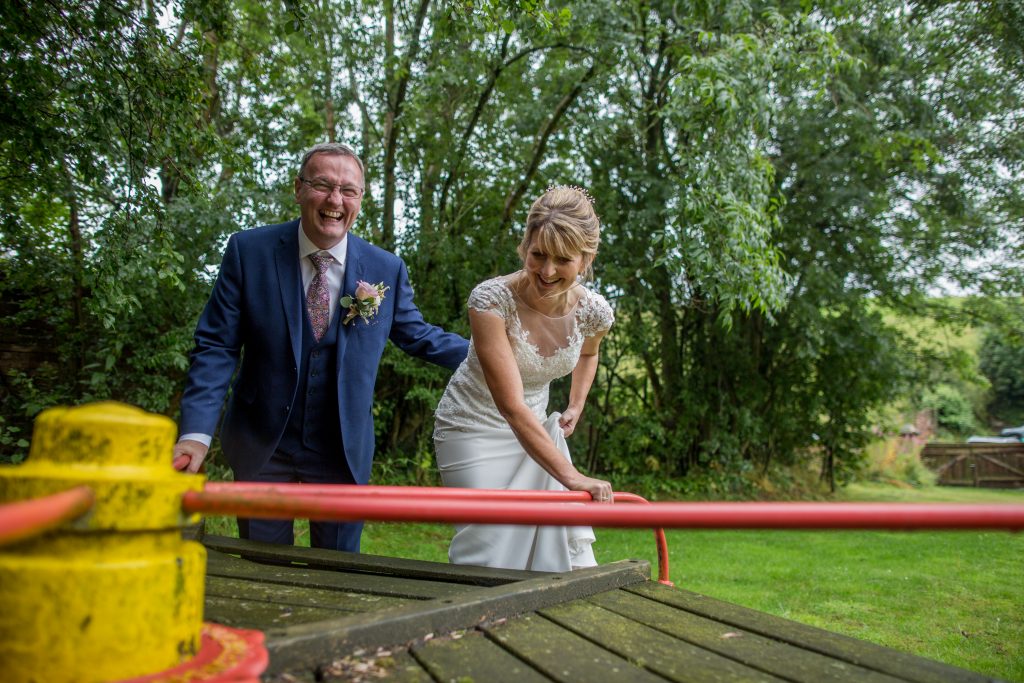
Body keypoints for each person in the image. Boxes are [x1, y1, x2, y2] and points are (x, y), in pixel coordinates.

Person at [175, 142, 468, 552]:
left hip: (341, 450)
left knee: (338, 571)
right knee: (263, 572)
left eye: (348, 190)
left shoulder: (386, 268)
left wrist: (491, 355)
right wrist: (195, 435)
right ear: (298, 189)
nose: (335, 200)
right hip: (263, 444)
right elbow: (216, 346)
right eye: (322, 185)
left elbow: (418, 335)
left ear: (360, 200)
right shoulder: (248, 252)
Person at [433, 185, 614, 572]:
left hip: (536, 429)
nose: (546, 272)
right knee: (487, 545)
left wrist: (576, 404)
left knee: (544, 545)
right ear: (525, 246)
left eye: (562, 260)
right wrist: (571, 476)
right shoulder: (490, 301)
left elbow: (589, 351)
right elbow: (511, 406)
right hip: (473, 428)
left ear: (586, 259)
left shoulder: (594, 311)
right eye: (538, 255)